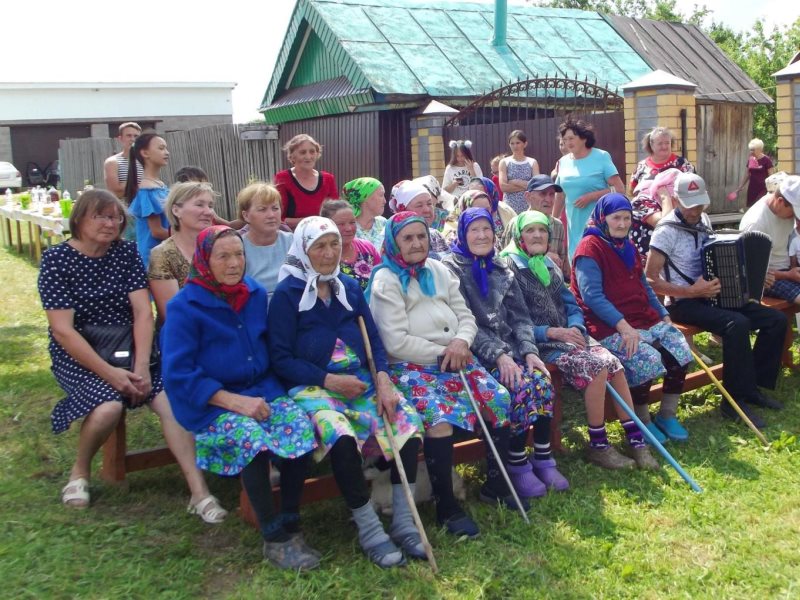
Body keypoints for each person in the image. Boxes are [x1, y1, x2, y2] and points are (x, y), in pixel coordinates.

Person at [37, 190, 225, 523]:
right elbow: (63, 330)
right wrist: (111, 374)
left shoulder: (124, 253)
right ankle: (80, 473)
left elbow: (141, 311)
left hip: (133, 345)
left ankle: (199, 492)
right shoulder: (56, 260)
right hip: (83, 353)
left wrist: (141, 367)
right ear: (79, 218)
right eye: (101, 216)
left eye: (116, 217)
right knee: (108, 406)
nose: (111, 224)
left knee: (171, 402)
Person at [269, 216, 426, 568]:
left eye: (334, 244)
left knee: (406, 425)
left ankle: (404, 522)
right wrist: (328, 381)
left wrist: (384, 382)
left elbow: (377, 344)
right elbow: (280, 358)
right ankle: (370, 530)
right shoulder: (287, 294)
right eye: (319, 246)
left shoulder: (349, 288)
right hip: (313, 385)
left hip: (362, 382)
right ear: (303, 250)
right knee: (339, 437)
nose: (329, 253)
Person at [161, 226, 318, 569]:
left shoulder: (255, 293)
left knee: (300, 425)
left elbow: (266, 350)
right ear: (204, 260)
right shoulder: (184, 307)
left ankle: (291, 519)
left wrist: (273, 395)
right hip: (211, 401)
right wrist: (234, 402)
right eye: (224, 256)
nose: (234, 264)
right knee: (250, 439)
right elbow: (178, 374)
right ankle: (272, 535)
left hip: (260, 389)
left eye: (239, 255)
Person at [368, 211, 523, 539]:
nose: (416, 243)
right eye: (407, 238)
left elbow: (465, 316)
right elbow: (394, 341)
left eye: (421, 236)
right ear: (394, 242)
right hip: (412, 366)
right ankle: (446, 505)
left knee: (497, 398)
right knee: (438, 417)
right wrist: (443, 352)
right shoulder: (385, 280)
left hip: (456, 356)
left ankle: (495, 484)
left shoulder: (438, 269)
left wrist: (460, 341)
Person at [501, 210, 647, 469]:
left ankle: (636, 441)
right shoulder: (510, 267)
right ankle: (599, 445)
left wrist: (577, 326)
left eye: (543, 230)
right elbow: (513, 321)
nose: (537, 235)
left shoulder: (548, 264)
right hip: (537, 344)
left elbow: (571, 303)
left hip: (569, 336)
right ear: (518, 235)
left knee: (614, 364)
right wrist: (551, 332)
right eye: (530, 230)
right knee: (597, 367)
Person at [646, 173, 787, 428]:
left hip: (712, 294)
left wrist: (755, 276)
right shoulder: (665, 232)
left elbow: (723, 256)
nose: (696, 210)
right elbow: (650, 280)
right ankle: (733, 402)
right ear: (676, 199)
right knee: (737, 324)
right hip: (682, 303)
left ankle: (752, 385)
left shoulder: (704, 219)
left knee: (775, 319)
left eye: (700, 203)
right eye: (690, 204)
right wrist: (692, 292)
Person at [442, 208, 562, 497]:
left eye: (487, 229)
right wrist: (499, 354)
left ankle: (543, 457)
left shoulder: (500, 268)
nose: (482, 235)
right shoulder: (451, 269)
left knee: (541, 381)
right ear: (463, 233)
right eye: (474, 230)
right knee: (517, 386)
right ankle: (516, 463)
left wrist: (530, 351)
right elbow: (463, 320)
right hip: (476, 352)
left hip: (511, 349)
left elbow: (520, 318)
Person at [572, 193, 689, 452]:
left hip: (641, 318)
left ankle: (667, 415)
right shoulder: (589, 248)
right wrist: (623, 326)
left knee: (679, 348)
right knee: (643, 358)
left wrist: (662, 313)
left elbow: (642, 285)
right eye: (616, 218)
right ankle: (643, 421)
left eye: (627, 218)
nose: (623, 224)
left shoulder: (628, 246)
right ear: (603, 218)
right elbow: (592, 297)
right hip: (606, 325)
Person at [554, 119, 625, 261]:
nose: (568, 142)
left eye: (572, 138)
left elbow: (620, 189)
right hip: (574, 226)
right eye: (565, 139)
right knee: (578, 264)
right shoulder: (563, 162)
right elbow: (560, 195)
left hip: (600, 225)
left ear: (584, 138)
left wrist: (592, 196)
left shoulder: (601, 156)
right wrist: (553, 220)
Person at [149, 182, 216, 322]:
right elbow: (172, 314)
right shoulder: (162, 254)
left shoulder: (219, 246)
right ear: (176, 210)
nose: (208, 212)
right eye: (199, 205)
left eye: (210, 206)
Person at [740, 176, 800, 305]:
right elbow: (752, 273)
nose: (795, 218)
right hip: (772, 278)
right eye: (794, 212)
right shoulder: (755, 223)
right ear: (779, 201)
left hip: (792, 269)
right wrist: (788, 275)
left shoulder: (785, 212)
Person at [237, 182, 293, 298]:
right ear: (246, 215)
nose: (271, 215)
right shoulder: (238, 246)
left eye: (275, 208)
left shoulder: (292, 241)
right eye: (262, 209)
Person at [125, 132, 170, 269]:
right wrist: (186, 235)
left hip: (165, 251)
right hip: (154, 257)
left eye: (166, 148)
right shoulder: (147, 190)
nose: (167, 152)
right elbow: (156, 231)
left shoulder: (159, 185)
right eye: (161, 148)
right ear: (145, 153)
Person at [274, 134, 338, 229]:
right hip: (292, 236)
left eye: (312, 152)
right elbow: (278, 218)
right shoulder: (283, 179)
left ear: (317, 154)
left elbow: (336, 212)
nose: (308, 156)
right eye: (303, 152)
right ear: (292, 157)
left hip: (324, 234)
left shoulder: (328, 179)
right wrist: (314, 220)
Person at [321, 199, 381, 290]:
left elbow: (381, 279)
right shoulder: (322, 256)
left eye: (352, 222)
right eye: (341, 224)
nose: (349, 228)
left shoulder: (367, 248)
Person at [521, 174, 569, 280]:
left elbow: (562, 262)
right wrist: (544, 258)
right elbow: (508, 260)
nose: (548, 199)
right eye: (543, 194)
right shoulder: (517, 223)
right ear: (528, 196)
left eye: (552, 194)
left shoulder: (558, 225)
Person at [629, 168, 680, 265]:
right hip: (644, 265)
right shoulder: (642, 201)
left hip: (665, 261)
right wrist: (665, 197)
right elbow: (665, 225)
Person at [390, 180, 450, 258]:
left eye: (429, 204)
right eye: (419, 205)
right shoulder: (393, 241)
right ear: (403, 211)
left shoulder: (435, 236)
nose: (427, 210)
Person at [628, 126, 694, 195]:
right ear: (651, 145)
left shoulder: (683, 164)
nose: (664, 146)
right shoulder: (641, 166)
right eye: (660, 143)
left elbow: (693, 187)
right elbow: (632, 191)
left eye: (667, 143)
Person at [442, 188, 514, 249]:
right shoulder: (452, 238)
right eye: (477, 209)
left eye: (486, 209)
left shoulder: (491, 235)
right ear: (464, 209)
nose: (482, 213)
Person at [499, 130, 540, 214]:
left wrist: (515, 182)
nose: (515, 146)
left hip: (528, 207)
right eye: (512, 143)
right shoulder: (504, 162)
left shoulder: (532, 162)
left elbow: (536, 186)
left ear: (525, 144)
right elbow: (503, 187)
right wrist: (526, 186)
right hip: (509, 208)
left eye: (518, 143)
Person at [341, 176, 387, 249]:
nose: (385, 201)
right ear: (365, 197)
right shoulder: (347, 228)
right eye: (381, 195)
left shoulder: (384, 224)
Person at [104, 122, 142, 198]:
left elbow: (154, 184)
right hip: (124, 207)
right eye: (129, 136)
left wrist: (125, 186)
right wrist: (145, 185)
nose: (133, 139)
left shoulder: (146, 161)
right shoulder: (112, 162)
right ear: (120, 139)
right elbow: (115, 191)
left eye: (136, 136)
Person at [733, 138, 775, 207]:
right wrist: (741, 186)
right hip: (752, 188)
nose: (751, 151)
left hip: (763, 189)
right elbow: (747, 174)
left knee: (760, 206)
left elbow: (771, 176)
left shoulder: (766, 160)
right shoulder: (751, 159)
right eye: (750, 149)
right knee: (752, 207)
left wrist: (772, 190)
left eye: (753, 150)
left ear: (759, 149)